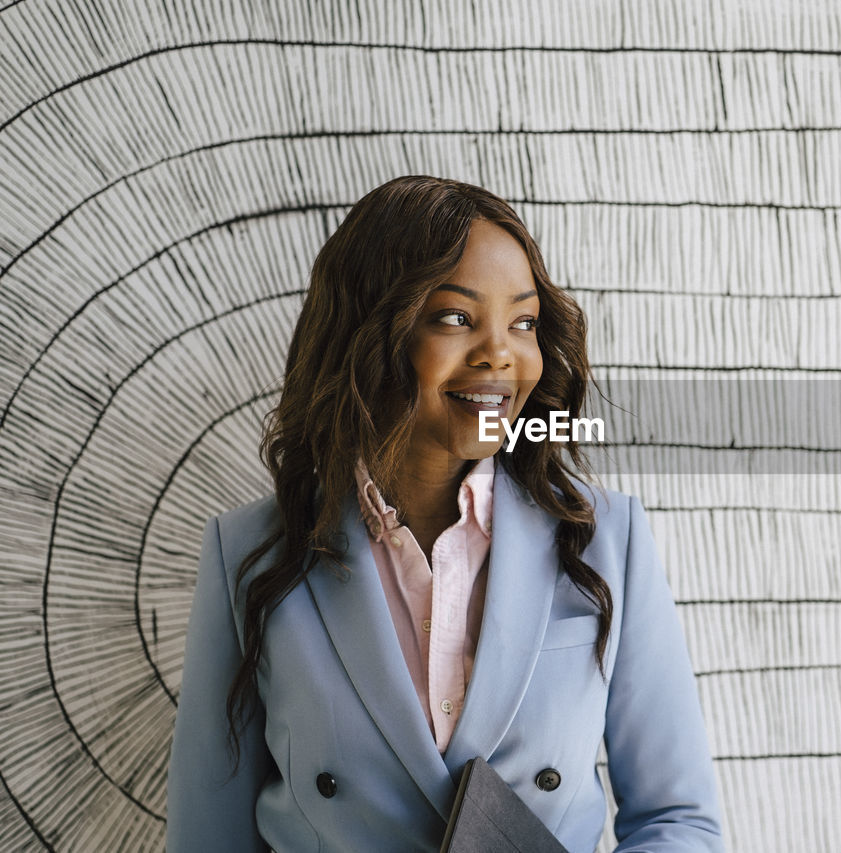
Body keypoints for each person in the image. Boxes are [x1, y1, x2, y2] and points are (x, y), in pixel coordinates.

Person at [166, 176, 724, 851]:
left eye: (523, 322)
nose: (500, 354)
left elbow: (678, 820)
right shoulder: (247, 554)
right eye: (457, 318)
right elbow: (207, 839)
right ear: (370, 332)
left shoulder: (608, 539)